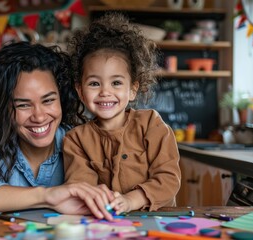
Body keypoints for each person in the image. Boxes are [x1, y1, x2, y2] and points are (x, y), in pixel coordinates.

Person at [0, 41, 114, 220]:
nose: (39, 116)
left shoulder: (83, 142)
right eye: (23, 105)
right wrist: (46, 196)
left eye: (48, 100)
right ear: (2, 109)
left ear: (62, 99)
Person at [63, 13, 181, 215]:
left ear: (133, 88)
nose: (105, 92)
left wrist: (130, 200)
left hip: (158, 221)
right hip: (105, 223)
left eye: (116, 82)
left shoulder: (151, 125)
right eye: (94, 83)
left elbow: (169, 179)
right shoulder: (75, 140)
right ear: (80, 90)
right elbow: (82, 189)